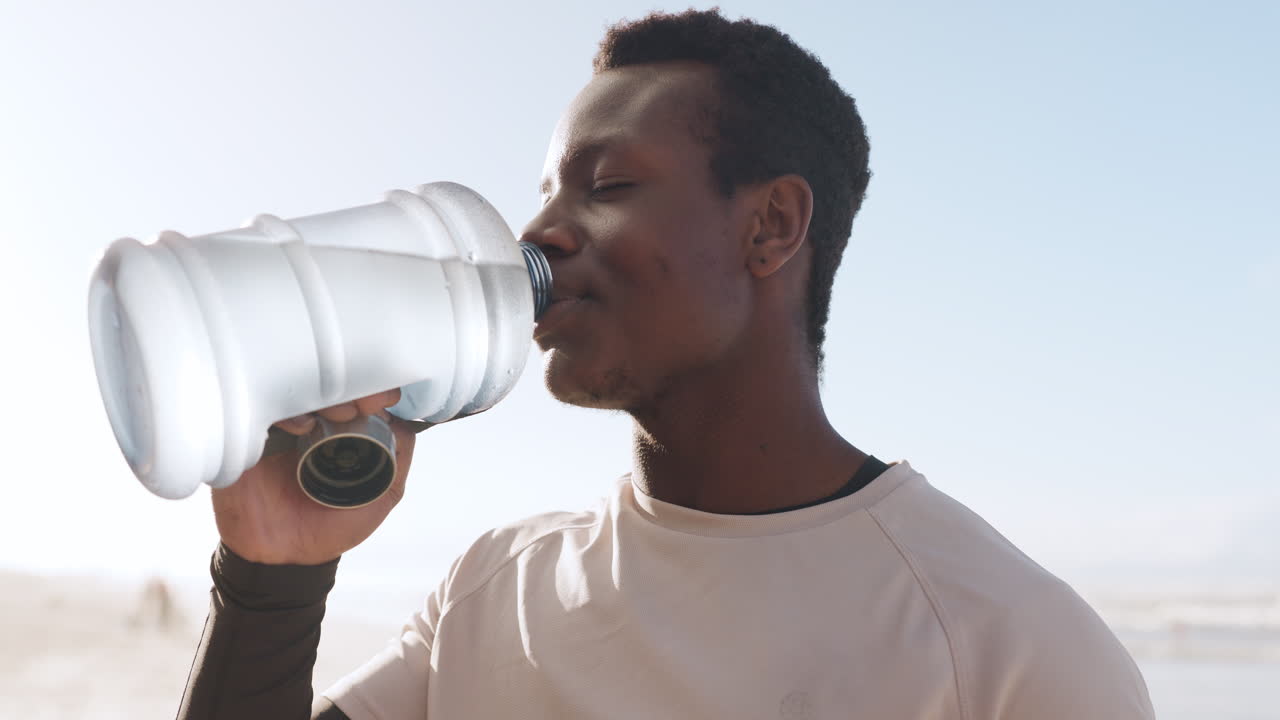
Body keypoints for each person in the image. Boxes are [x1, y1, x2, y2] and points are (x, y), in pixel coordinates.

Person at [177, 9, 1155, 719]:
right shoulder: (495, 591)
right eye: (547, 193)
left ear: (769, 226)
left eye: (606, 185)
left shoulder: (1004, 649)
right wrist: (272, 574)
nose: (540, 233)